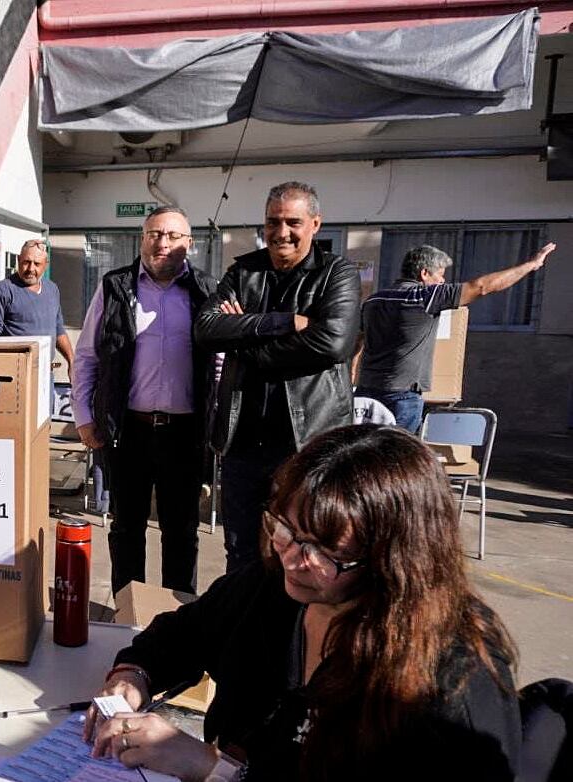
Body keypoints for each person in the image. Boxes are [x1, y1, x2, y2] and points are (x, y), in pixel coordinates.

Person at [85, 425, 521, 782]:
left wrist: (210, 768)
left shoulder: (451, 684)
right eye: (285, 529)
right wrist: (133, 676)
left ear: (394, 560)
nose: (291, 558)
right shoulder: (274, 587)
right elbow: (185, 633)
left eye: (323, 550)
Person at [195, 182, 360, 574]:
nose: (281, 232)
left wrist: (245, 341)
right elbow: (205, 329)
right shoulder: (243, 272)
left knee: (307, 557)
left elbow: (333, 343)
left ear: (315, 224)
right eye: (272, 222)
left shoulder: (336, 274)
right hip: (243, 443)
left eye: (293, 222)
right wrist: (284, 322)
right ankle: (243, 632)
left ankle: (297, 636)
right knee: (242, 554)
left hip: (308, 446)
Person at [71, 206, 217, 595]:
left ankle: (178, 616)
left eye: (172, 236)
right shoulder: (114, 286)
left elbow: (220, 361)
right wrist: (84, 417)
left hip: (185, 434)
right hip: (128, 430)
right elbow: (87, 355)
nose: (162, 243)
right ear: (142, 239)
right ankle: (127, 613)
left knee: (182, 532)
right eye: (154, 234)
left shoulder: (207, 289)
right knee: (126, 529)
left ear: (189, 243)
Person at [356, 242, 556, 433]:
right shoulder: (425, 297)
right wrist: (531, 264)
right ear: (424, 273)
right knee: (396, 456)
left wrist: (351, 383)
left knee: (362, 449)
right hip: (401, 395)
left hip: (366, 390)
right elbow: (482, 287)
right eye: (440, 275)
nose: (443, 281)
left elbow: (357, 343)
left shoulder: (373, 300)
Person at [0, 239, 74, 373]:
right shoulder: (2, 291)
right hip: (16, 373)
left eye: (37, 264)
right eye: (26, 262)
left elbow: (58, 329)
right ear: (18, 260)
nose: (31, 269)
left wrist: (71, 360)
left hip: (46, 374)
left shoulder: (52, 289)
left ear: (45, 265)